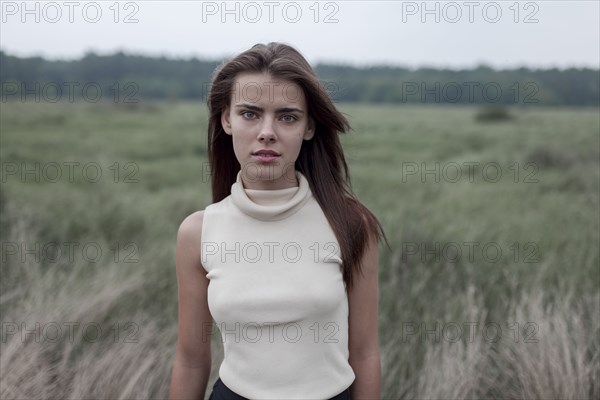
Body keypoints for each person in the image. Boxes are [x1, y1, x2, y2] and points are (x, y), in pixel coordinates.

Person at [168, 42, 389, 400]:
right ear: (226, 119)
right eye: (250, 114)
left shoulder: (350, 224)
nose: (267, 131)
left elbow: (364, 353)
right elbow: (191, 360)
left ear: (309, 126)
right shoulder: (198, 232)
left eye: (287, 116)